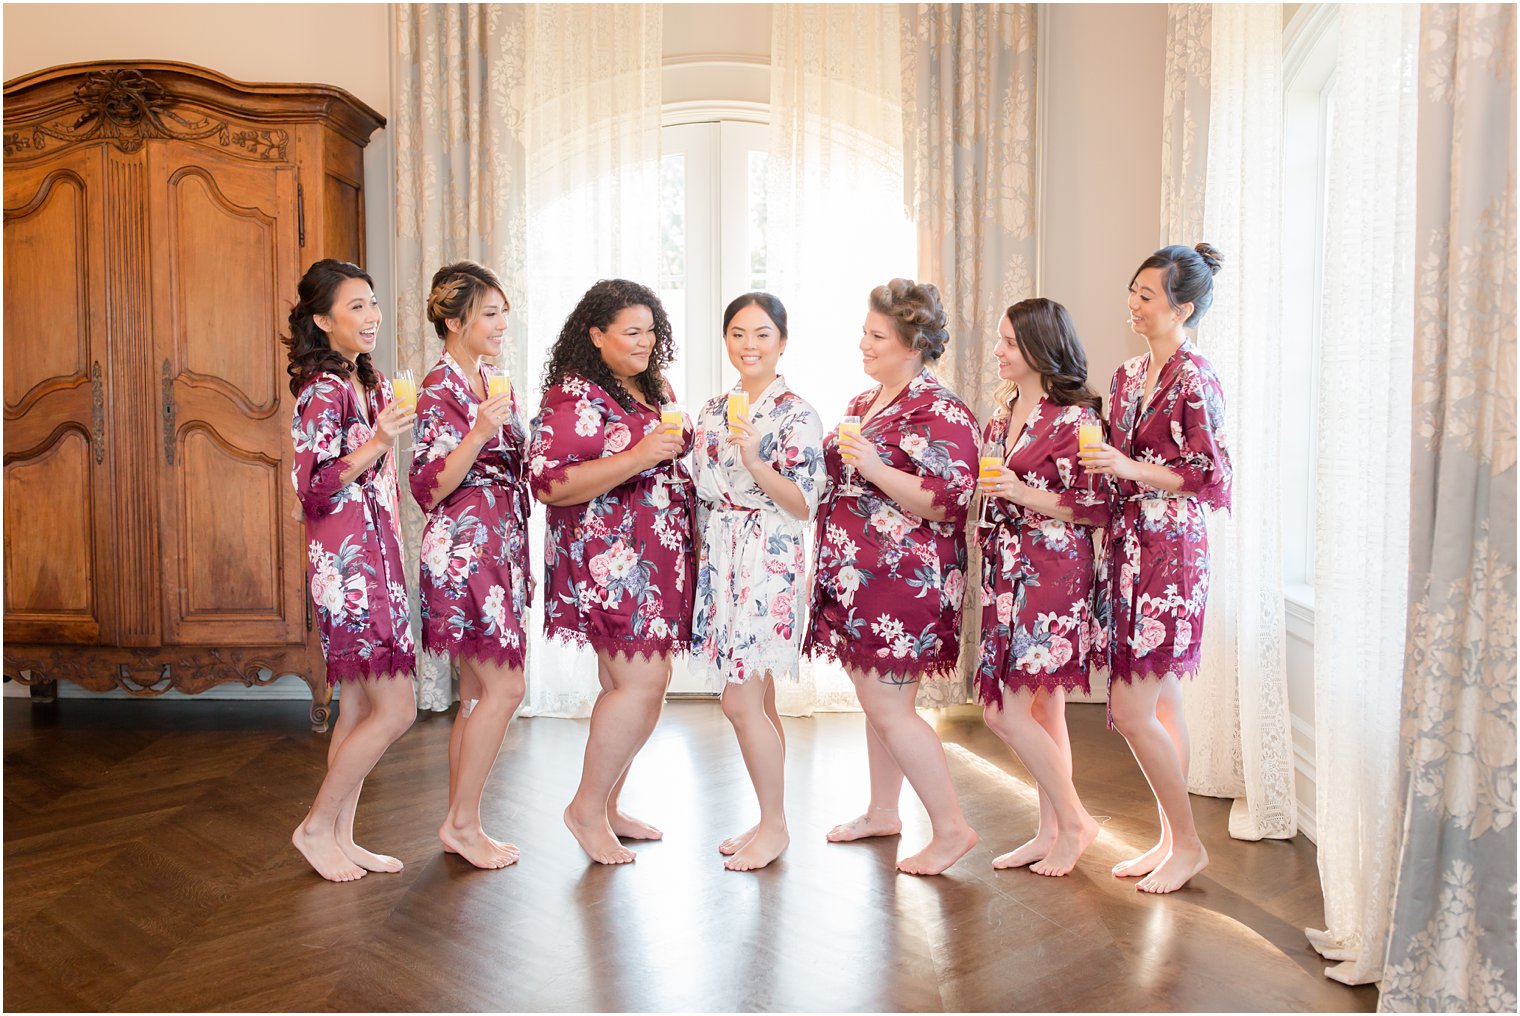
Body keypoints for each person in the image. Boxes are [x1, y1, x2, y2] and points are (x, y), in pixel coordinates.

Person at [804, 278, 981, 876]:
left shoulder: (942, 410)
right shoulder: (863, 403)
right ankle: (884, 810)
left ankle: (952, 827)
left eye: (876, 335)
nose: (863, 342)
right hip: (859, 576)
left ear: (912, 345)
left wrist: (876, 467)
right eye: (864, 331)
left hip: (905, 580)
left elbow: (948, 500)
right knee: (879, 703)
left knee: (890, 708)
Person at [1081, 243, 1233, 894]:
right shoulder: (1124, 375)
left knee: (1134, 705)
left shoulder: (1198, 379)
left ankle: (1190, 843)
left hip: (1171, 549)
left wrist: (1131, 469)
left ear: (1184, 308)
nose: (1134, 305)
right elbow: (1112, 455)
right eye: (1133, 291)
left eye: (1148, 296)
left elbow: (1211, 476)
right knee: (1162, 698)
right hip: (1128, 543)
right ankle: (1172, 839)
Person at [528, 278, 695, 865]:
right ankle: (584, 808)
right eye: (632, 331)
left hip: (656, 557)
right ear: (595, 335)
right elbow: (549, 483)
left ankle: (608, 807)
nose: (646, 341)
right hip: (610, 560)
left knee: (642, 687)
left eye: (651, 330)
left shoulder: (652, 385)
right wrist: (639, 456)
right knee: (637, 685)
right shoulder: (572, 396)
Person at [285, 259, 418, 882]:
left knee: (362, 708)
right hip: (349, 567)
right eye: (356, 306)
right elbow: (311, 487)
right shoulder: (323, 390)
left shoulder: (368, 381)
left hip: (378, 556)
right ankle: (315, 825)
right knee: (398, 710)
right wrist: (378, 440)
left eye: (373, 303)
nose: (372, 317)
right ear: (322, 319)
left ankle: (340, 834)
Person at [691, 293, 825, 871]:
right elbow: (697, 490)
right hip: (720, 557)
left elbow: (803, 505)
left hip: (767, 557)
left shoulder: (797, 414)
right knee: (761, 698)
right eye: (739, 333)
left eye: (763, 334)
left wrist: (756, 464)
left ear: (783, 342)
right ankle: (767, 816)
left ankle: (776, 825)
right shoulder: (712, 410)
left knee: (739, 699)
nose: (750, 344)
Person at [975, 298, 1109, 877]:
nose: (999, 351)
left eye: (1008, 342)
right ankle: (1051, 829)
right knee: (1043, 703)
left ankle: (1077, 820)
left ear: (1038, 346)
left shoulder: (1077, 420)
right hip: (1005, 567)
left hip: (1052, 570)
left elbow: (1097, 507)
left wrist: (1020, 493)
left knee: (1003, 712)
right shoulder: (1002, 415)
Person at [410, 261, 530, 869]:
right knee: (505, 687)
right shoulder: (439, 389)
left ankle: (463, 821)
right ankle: (461, 821)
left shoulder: (487, 379)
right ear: (455, 321)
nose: (502, 323)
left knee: (479, 694)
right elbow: (428, 489)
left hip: (496, 546)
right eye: (490, 313)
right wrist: (480, 433)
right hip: (464, 549)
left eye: (503, 312)